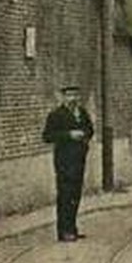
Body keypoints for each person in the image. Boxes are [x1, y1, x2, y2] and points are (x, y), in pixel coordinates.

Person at [41, 83, 93, 242]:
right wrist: (69, 134)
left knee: (75, 194)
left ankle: (72, 228)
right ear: (63, 97)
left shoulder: (82, 113)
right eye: (70, 95)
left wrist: (84, 135)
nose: (73, 98)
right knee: (65, 194)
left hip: (79, 159)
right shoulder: (56, 115)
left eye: (76, 95)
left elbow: (90, 130)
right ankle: (63, 231)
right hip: (64, 160)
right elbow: (47, 136)